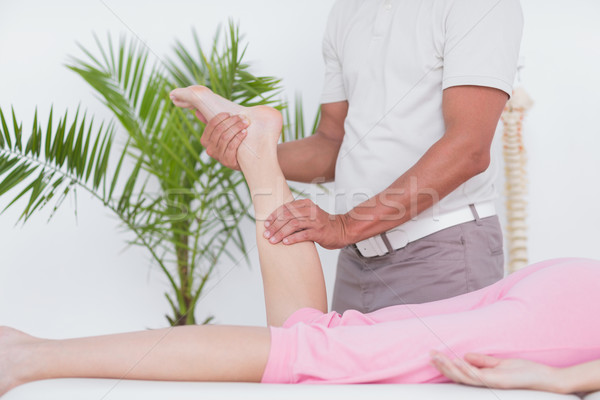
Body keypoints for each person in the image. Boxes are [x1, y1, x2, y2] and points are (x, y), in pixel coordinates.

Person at [1, 86, 599, 396]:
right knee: (317, 355)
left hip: (570, 293)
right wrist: (569, 379)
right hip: (581, 317)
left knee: (318, 340)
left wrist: (569, 379)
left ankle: (261, 151)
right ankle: (30, 358)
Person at [199, 0, 525, 313]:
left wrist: (345, 226)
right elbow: (332, 144)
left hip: (442, 253)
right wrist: (251, 152)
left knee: (438, 372)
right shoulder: (347, 10)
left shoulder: (479, 4)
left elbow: (468, 148)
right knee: (339, 370)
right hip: (356, 261)